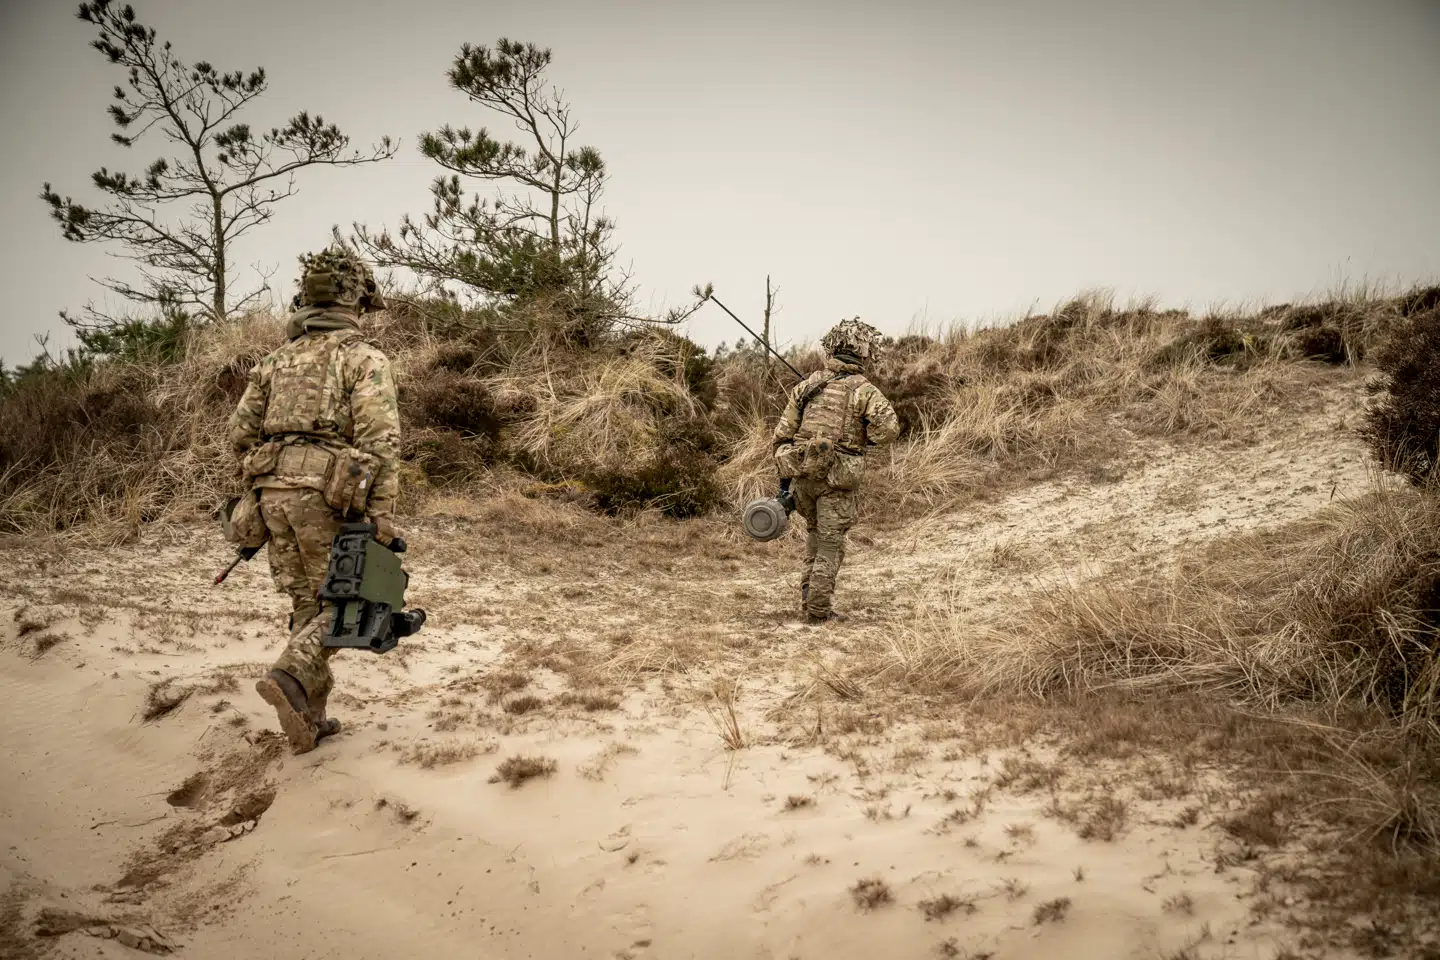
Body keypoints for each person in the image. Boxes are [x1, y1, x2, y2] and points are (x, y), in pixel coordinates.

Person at [227, 246, 402, 754]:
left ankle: (309, 717)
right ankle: (289, 677)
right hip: (328, 499)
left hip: (270, 498)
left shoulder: (274, 361)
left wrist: (272, 478)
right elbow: (380, 441)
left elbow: (241, 434)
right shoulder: (363, 358)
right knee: (355, 600)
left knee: (309, 602)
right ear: (358, 301)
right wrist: (381, 513)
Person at [772, 317, 900, 624]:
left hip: (803, 480)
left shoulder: (807, 386)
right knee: (831, 545)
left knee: (814, 537)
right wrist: (862, 437)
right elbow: (890, 430)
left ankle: (807, 600)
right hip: (837, 481)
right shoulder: (864, 391)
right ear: (863, 354)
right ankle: (818, 611)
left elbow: (782, 435)